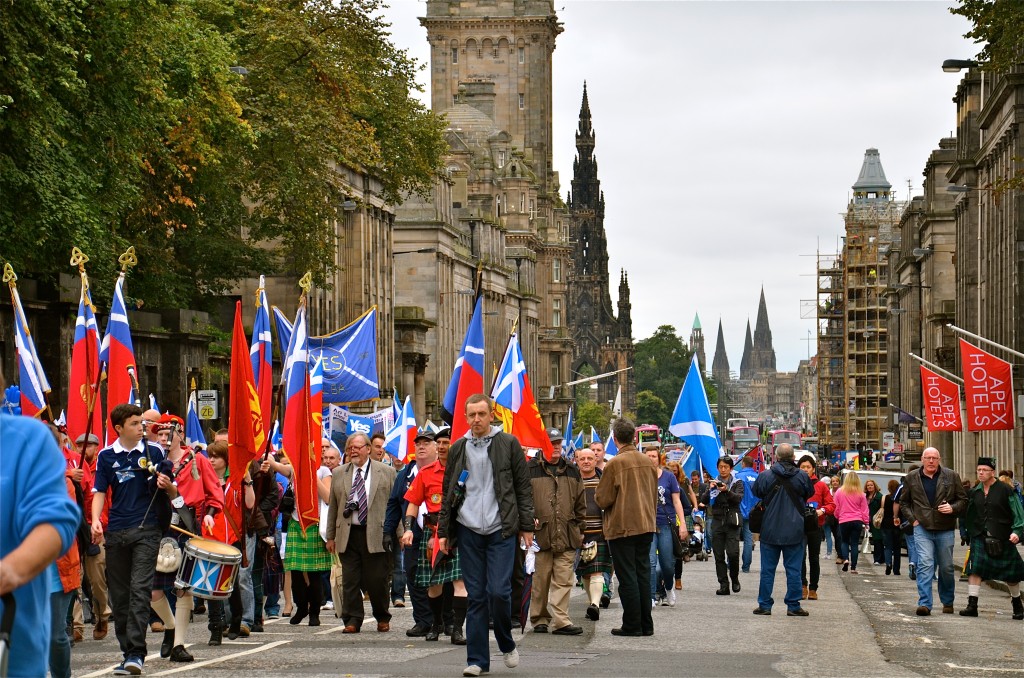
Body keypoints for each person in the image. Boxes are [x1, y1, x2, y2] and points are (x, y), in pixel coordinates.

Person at [436, 394, 534, 677]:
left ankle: (505, 641)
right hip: (468, 530)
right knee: (476, 596)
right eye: (471, 415)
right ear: (465, 418)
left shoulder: (508, 443)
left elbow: (522, 487)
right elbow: (448, 492)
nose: (476, 419)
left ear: (491, 415)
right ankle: (477, 660)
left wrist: (526, 526)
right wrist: (444, 531)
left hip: (500, 529)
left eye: (481, 414)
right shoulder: (458, 448)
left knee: (499, 592)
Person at [91, 403, 174, 675]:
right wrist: (95, 520)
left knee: (140, 590)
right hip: (117, 531)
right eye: (135, 424)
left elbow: (171, 488)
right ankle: (128, 652)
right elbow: (100, 492)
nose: (142, 428)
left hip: (147, 530)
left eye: (142, 422)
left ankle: (137, 654)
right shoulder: (105, 456)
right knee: (120, 597)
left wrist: (166, 484)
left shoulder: (154, 451)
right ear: (119, 428)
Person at [1, 415, 81, 678]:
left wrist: (12, 569)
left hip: (54, 571)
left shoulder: (27, 440)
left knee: (57, 635)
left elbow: (58, 517)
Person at [150, 414, 223, 662]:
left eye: (167, 433)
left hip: (187, 524)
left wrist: (211, 515)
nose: (163, 438)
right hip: (159, 527)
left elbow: (214, 492)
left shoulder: (197, 460)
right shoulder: (152, 461)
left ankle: (179, 644)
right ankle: (170, 627)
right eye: (159, 434)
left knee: (183, 588)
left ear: (179, 433)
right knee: (153, 592)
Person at [400, 430, 468, 643]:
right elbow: (413, 502)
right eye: (438, 442)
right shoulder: (426, 472)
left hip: (458, 531)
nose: (440, 446)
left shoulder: (464, 472)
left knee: (460, 583)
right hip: (432, 532)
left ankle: (457, 629)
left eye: (445, 442)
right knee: (434, 585)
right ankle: (437, 624)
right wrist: (409, 529)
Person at [326, 431, 397, 633]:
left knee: (377, 580)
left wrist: (399, 533)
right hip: (348, 534)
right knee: (350, 580)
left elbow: (394, 505)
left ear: (368, 449)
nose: (353, 451)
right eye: (350, 448)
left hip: (376, 533)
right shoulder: (340, 472)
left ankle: (382, 615)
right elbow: (334, 507)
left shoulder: (386, 472)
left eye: (357, 447)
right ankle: (352, 619)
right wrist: (330, 535)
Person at [595, 417, 657, 637]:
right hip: (646, 524)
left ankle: (632, 624)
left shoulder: (614, 464)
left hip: (622, 526)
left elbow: (602, 499)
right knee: (642, 574)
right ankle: (646, 624)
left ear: (614, 438)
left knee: (627, 576)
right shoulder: (648, 462)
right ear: (634, 436)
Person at [527, 429, 585, 635]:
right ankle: (539, 618)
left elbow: (580, 503)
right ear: (543, 446)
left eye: (559, 443)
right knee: (541, 580)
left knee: (563, 580)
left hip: (567, 533)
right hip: (540, 535)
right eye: (552, 444)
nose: (557, 447)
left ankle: (562, 621)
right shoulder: (530, 469)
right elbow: (523, 500)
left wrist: (580, 528)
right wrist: (526, 524)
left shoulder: (572, 470)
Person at [898, 448, 967, 616]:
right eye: (927, 458)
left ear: (939, 459)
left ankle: (947, 600)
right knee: (925, 563)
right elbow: (904, 502)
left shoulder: (951, 476)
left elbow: (963, 500)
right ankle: (925, 603)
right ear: (922, 459)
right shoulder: (911, 478)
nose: (931, 461)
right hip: (922, 527)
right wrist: (913, 520)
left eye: (934, 458)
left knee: (946, 567)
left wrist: (952, 508)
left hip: (945, 528)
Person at [751, 443, 814, 617]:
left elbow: (756, 491)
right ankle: (793, 605)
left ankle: (764, 605)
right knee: (793, 570)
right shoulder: (802, 476)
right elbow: (809, 492)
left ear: (776, 457)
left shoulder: (765, 475)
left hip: (770, 529)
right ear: (794, 457)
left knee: (767, 570)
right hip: (795, 530)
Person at [959, 456, 1024, 620]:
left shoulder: (1006, 490)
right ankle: (972, 605)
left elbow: (1018, 513)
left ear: (992, 472)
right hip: (980, 536)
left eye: (984, 470)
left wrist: (1017, 531)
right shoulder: (975, 491)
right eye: (979, 470)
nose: (980, 473)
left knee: (1012, 575)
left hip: (1003, 537)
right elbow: (969, 513)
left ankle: (1017, 604)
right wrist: (968, 530)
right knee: (974, 570)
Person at [204, 442, 255, 645]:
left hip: (232, 538)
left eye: (216, 456)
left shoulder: (236, 481)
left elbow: (250, 503)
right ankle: (216, 628)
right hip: (209, 538)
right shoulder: (204, 480)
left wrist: (248, 481)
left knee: (230, 583)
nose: (212, 460)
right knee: (211, 585)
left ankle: (237, 618)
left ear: (226, 459)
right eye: (210, 456)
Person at [385, 432, 431, 637]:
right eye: (417, 443)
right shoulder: (405, 474)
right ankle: (422, 620)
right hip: (412, 533)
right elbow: (394, 504)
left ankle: (446, 620)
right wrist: (388, 531)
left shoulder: (444, 471)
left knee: (441, 578)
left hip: (438, 533)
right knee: (413, 574)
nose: (421, 447)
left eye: (426, 443)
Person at [72, 431, 111, 640]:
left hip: (96, 529)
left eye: (87, 446)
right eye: (79, 446)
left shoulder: (103, 467)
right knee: (74, 578)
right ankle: (76, 625)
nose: (83, 450)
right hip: (75, 530)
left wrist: (103, 525)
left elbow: (107, 500)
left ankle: (101, 615)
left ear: (96, 448)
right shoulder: (73, 467)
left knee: (96, 579)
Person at [574, 446, 612, 621]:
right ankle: (593, 603)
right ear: (577, 461)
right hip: (578, 533)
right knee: (585, 573)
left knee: (597, 571)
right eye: (582, 459)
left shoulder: (604, 480)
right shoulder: (572, 481)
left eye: (590, 458)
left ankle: (595, 605)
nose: (586, 461)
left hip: (600, 532)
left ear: (596, 460)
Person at [646, 449, 687, 606]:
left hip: (666, 524)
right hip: (648, 525)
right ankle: (651, 596)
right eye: (648, 456)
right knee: (650, 562)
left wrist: (682, 523)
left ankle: (669, 587)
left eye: (653, 456)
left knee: (667, 564)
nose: (651, 459)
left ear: (659, 458)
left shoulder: (669, 477)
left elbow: (677, 501)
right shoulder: (641, 476)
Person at [700, 456, 742, 597]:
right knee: (718, 555)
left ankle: (735, 578)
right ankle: (724, 584)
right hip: (717, 520)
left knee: (733, 553)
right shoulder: (713, 482)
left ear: (731, 468)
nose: (723, 469)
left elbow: (738, 498)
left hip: (732, 520)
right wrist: (710, 489)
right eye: (721, 467)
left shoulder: (737, 482)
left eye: (726, 467)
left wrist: (726, 491)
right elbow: (704, 500)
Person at [798, 455, 834, 600]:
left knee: (814, 558)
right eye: (802, 467)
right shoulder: (795, 484)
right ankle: (802, 586)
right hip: (799, 527)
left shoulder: (821, 486)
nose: (805, 469)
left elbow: (831, 505)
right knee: (800, 557)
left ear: (813, 469)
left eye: (808, 467)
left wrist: (822, 510)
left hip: (815, 526)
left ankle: (813, 588)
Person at [833, 472, 869, 574]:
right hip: (857, 520)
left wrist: (837, 516)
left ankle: (845, 559)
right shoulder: (861, 493)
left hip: (844, 519)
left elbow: (836, 506)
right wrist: (866, 522)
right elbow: (864, 509)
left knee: (844, 541)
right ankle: (853, 567)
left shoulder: (840, 492)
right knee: (854, 544)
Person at [735, 456, 759, 574]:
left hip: (738, 511)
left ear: (743, 464)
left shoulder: (738, 476)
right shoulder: (758, 477)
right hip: (752, 513)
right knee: (748, 540)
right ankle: (746, 567)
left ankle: (732, 563)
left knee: (733, 538)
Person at [881, 479, 902, 576]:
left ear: (888, 488)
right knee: (897, 548)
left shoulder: (885, 498)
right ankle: (896, 569)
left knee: (888, 546)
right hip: (897, 524)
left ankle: (888, 564)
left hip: (886, 524)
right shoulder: (900, 498)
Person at [865, 479, 884, 565]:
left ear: (875, 486)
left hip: (876, 521)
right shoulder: (865, 496)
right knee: (871, 539)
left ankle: (878, 559)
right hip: (866, 520)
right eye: (868, 485)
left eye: (871, 485)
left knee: (877, 539)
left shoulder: (879, 496)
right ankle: (880, 558)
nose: (869, 487)